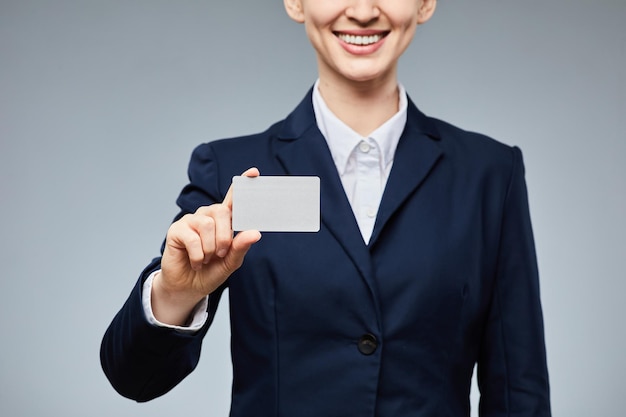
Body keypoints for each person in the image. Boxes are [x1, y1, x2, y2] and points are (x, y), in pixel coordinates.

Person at [101, 0, 551, 415]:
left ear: (426, 3)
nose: (361, 10)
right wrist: (176, 294)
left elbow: (518, 393)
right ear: (295, 1)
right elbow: (135, 377)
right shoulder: (232, 171)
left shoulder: (490, 175)